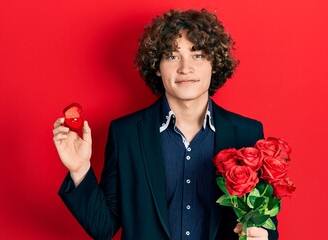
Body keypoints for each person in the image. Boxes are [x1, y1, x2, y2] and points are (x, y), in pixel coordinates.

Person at [53, 9, 278, 240]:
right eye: (172, 56)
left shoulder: (247, 133)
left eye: (197, 54)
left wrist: (263, 235)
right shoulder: (126, 134)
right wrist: (79, 169)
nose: (185, 67)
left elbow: (264, 222)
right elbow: (104, 227)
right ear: (157, 67)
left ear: (214, 63)